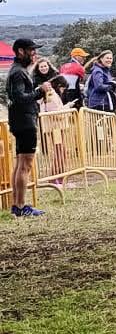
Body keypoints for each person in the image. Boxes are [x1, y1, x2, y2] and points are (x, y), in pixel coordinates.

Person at [6, 39, 43, 218]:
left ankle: (17, 205)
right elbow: (20, 97)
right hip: (25, 122)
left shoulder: (18, 71)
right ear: (20, 51)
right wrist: (40, 92)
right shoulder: (18, 73)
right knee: (25, 165)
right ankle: (20, 206)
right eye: (31, 50)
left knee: (20, 164)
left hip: (20, 120)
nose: (34, 54)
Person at [85, 50, 116, 116]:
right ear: (101, 59)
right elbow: (99, 86)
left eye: (111, 58)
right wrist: (111, 86)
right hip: (99, 103)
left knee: (114, 123)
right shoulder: (98, 71)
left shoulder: (106, 70)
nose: (109, 60)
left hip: (105, 102)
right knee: (113, 123)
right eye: (107, 58)